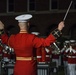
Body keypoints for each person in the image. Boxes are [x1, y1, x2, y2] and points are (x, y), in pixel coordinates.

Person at [0, 14, 64, 75]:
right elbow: (46, 42)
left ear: (19, 25)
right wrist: (58, 29)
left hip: (18, 68)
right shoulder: (32, 38)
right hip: (30, 69)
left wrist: (1, 29)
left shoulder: (13, 38)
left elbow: (5, 40)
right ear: (28, 24)